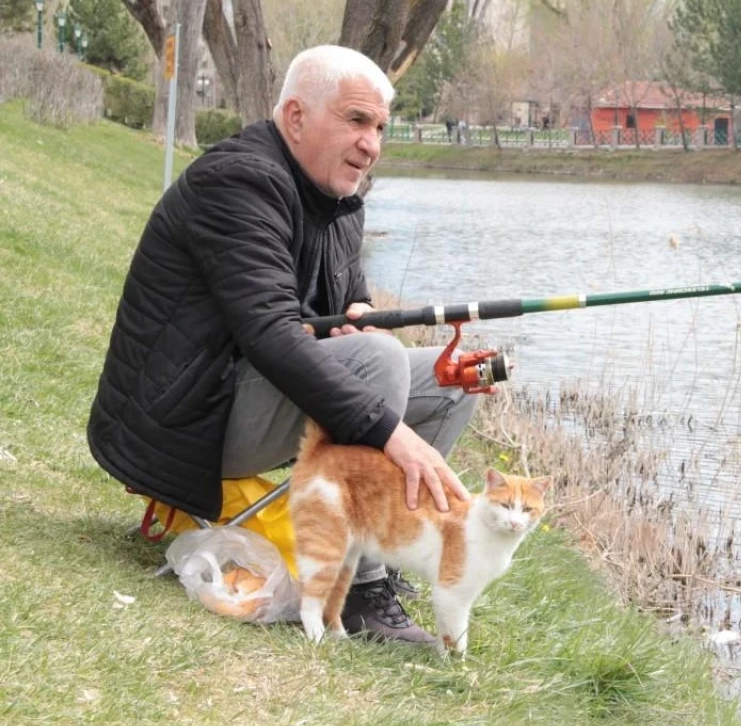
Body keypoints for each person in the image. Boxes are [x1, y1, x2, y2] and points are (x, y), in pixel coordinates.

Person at [87, 45, 479, 645]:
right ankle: (361, 596)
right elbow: (270, 333)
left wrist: (361, 318)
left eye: (378, 126)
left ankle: (380, 557)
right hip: (183, 420)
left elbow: (341, 312)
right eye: (355, 120)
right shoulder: (239, 181)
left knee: (452, 384)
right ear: (296, 117)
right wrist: (389, 430)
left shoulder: (341, 197)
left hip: (243, 396)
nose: (371, 143)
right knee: (377, 365)